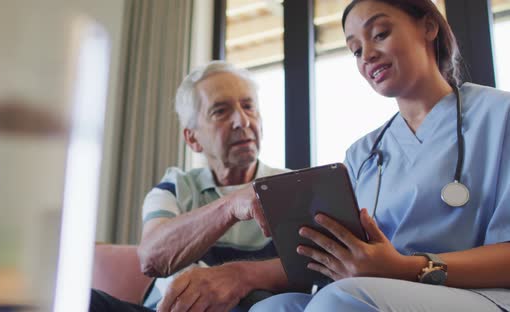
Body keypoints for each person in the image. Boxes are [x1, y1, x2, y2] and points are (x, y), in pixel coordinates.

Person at [249, 0, 510, 311]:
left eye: (380, 33)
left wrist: (402, 267)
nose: (367, 55)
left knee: (339, 301)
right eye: (356, 50)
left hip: (487, 295)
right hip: (379, 292)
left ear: (429, 26)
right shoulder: (362, 154)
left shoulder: (499, 116)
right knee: (272, 308)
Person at [90, 61, 290, 312]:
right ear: (192, 138)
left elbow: (321, 267)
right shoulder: (174, 187)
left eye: (249, 107)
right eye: (220, 111)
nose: (243, 121)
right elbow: (152, 257)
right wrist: (230, 206)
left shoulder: (290, 185)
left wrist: (241, 275)